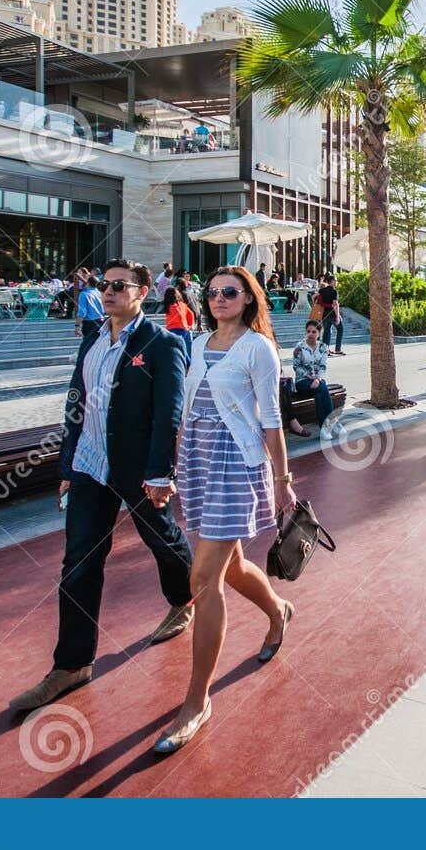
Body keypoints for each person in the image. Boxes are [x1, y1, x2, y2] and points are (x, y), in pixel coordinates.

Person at [10, 259, 195, 713]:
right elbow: (76, 402)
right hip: (90, 468)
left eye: (118, 285)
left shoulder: (161, 343)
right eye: (103, 284)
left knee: (163, 539)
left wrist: (159, 474)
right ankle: (72, 664)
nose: (107, 291)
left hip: (137, 470)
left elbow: (167, 414)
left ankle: (183, 599)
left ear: (142, 292)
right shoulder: (91, 341)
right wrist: (68, 466)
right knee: (78, 563)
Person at [154, 265, 298, 754]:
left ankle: (196, 701)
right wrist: (171, 467)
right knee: (232, 566)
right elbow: (189, 405)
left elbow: (272, 419)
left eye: (229, 292)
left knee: (202, 580)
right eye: (211, 292)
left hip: (236, 462)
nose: (218, 298)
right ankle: (278, 611)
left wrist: (283, 481)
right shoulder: (197, 344)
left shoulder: (259, 348)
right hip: (197, 460)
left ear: (248, 298)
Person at [284, 317, 336, 439]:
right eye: (308, 331)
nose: (310, 334)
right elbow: (296, 366)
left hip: (317, 381)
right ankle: (333, 423)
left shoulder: (323, 347)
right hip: (302, 382)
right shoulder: (300, 346)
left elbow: (323, 366)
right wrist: (309, 376)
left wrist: (317, 379)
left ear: (319, 333)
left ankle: (325, 429)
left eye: (314, 332)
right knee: (322, 387)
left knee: (319, 392)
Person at [163, 279, 198, 359]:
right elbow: (191, 314)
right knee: (186, 349)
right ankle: (189, 364)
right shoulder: (181, 305)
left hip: (173, 330)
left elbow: (183, 315)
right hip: (184, 329)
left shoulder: (168, 307)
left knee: (177, 350)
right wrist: (190, 325)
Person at [74, 274, 105, 346]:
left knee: (88, 345)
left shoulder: (84, 294)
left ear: (87, 283)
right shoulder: (100, 294)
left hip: (90, 323)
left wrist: (77, 325)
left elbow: (82, 312)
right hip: (102, 321)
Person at [317, 275, 345, 355]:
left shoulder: (322, 290)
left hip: (323, 314)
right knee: (340, 329)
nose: (336, 282)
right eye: (335, 280)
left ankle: (326, 350)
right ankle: (338, 349)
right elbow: (335, 304)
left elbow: (315, 298)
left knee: (327, 331)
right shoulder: (334, 291)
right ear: (331, 281)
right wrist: (337, 316)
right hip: (332, 314)